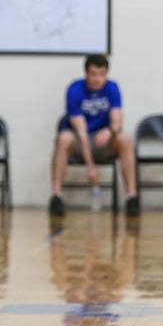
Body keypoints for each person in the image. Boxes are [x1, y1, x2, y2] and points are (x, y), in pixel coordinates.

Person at [49, 54, 139, 217]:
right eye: (94, 74)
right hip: (79, 140)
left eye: (102, 74)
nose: (98, 79)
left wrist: (110, 131)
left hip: (102, 141)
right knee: (63, 139)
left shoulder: (112, 88)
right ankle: (56, 196)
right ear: (86, 74)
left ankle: (131, 197)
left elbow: (118, 122)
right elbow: (81, 133)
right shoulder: (75, 90)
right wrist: (91, 167)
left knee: (125, 139)